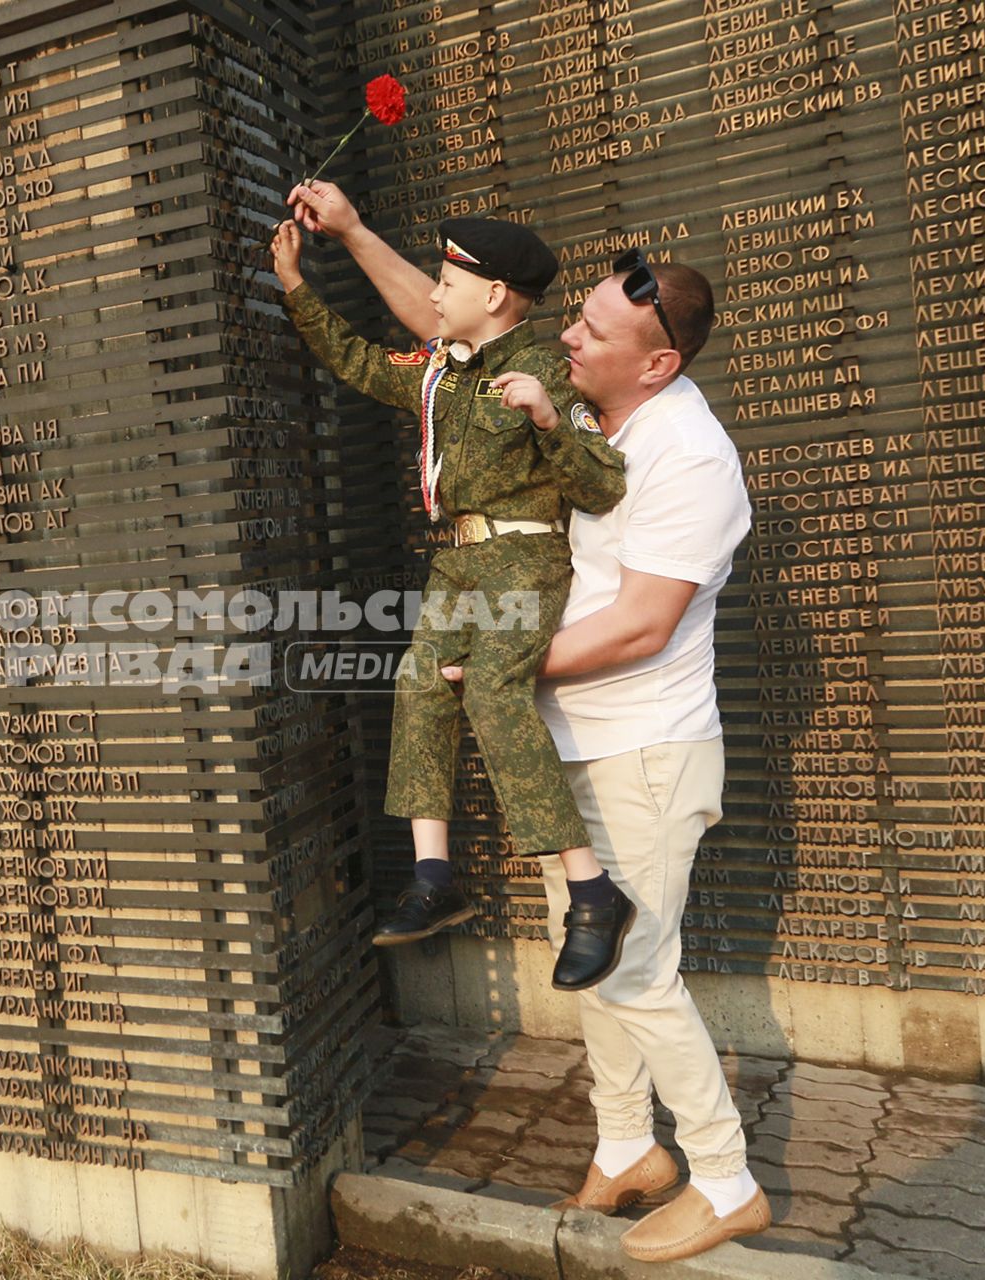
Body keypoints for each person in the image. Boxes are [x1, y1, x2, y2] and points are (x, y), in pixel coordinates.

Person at [289, 180, 765, 1261]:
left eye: (594, 328)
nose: (570, 331)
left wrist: (489, 666)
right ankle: (622, 1147)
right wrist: (356, 232)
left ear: (658, 362)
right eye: (579, 313)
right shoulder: (590, 405)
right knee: (589, 959)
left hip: (646, 745)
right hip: (579, 742)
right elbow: (443, 320)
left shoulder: (686, 452)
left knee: (637, 969)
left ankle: (728, 1177)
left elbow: (643, 626)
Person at [268, 210, 637, 993]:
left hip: (526, 556)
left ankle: (593, 892)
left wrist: (546, 416)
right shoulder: (445, 370)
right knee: (419, 688)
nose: (433, 295)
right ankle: (434, 876)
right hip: (461, 563)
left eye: (447, 282)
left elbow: (601, 484)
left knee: (496, 696)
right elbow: (364, 364)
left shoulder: (545, 369)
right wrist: (296, 286)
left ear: (497, 293)